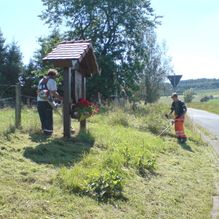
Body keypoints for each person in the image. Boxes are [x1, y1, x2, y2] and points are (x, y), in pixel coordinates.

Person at [37, 69, 62, 136]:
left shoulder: (41, 80)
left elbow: (38, 91)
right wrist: (61, 98)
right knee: (48, 117)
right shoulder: (52, 81)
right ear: (53, 75)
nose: (55, 78)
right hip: (47, 102)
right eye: (55, 76)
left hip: (39, 101)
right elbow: (54, 92)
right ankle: (48, 132)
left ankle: (44, 131)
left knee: (43, 117)